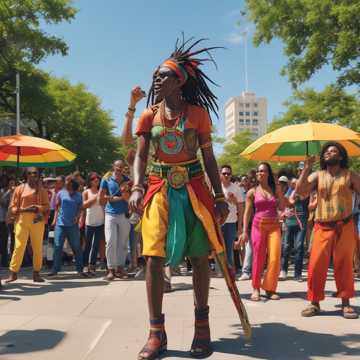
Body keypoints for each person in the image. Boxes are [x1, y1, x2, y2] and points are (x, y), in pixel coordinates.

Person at [129, 38, 229, 359]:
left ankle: (202, 328)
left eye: (163, 76)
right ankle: (156, 332)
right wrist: (135, 186)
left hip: (195, 188)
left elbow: (209, 159)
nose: (157, 80)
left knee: (200, 257)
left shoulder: (198, 115)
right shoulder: (148, 116)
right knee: (153, 257)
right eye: (156, 75)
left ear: (179, 81)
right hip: (159, 188)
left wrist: (220, 195)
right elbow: (140, 157)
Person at [296, 142, 360, 319]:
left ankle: (346, 302)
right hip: (322, 226)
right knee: (316, 265)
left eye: (334, 151)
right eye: (327, 151)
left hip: (345, 225)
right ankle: (314, 302)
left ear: (340, 156)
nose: (329, 153)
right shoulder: (318, 175)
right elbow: (300, 192)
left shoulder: (350, 175)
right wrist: (306, 168)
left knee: (345, 264)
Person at [239, 162, 286, 301]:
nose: (260, 173)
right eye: (258, 171)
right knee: (258, 257)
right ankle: (256, 288)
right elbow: (247, 212)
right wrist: (243, 231)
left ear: (268, 174)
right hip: (258, 226)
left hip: (274, 226)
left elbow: (282, 206)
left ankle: (270, 288)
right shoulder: (252, 192)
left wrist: (279, 190)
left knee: (275, 257)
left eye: (263, 171)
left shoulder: (274, 189)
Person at [5, 168, 49, 283]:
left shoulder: (42, 190)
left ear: (38, 176)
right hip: (21, 220)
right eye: (29, 173)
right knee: (19, 246)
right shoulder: (19, 189)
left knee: (37, 247)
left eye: (35, 174)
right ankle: (13, 273)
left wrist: (38, 208)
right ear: (26, 175)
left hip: (37, 220)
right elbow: (12, 206)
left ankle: (36, 273)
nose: (32, 175)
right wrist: (22, 209)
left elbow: (47, 206)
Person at [99, 160, 131, 281]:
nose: (119, 169)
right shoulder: (106, 179)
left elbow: (130, 197)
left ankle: (120, 268)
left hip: (124, 214)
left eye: (122, 167)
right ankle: (111, 270)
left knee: (123, 244)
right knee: (111, 241)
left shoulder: (127, 180)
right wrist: (114, 198)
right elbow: (101, 197)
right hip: (110, 215)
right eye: (118, 167)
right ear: (113, 167)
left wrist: (125, 196)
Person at [48, 175, 85, 277]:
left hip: (73, 225)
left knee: (76, 247)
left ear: (72, 183)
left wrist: (78, 217)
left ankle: (80, 269)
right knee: (58, 246)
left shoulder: (78, 195)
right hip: (60, 224)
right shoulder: (60, 193)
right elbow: (57, 207)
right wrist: (55, 220)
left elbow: (80, 208)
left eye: (68, 181)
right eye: (66, 181)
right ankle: (55, 270)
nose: (66, 183)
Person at [280, 178, 308, 281]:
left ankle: (298, 274)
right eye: (292, 183)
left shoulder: (305, 191)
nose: (294, 184)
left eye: (296, 183)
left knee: (299, 247)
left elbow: (307, 201)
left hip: (301, 223)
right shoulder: (287, 192)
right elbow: (286, 204)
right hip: (289, 222)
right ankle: (283, 270)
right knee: (286, 246)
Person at [220, 165, 245, 271]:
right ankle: (221, 270)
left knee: (229, 248)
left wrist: (240, 227)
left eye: (228, 173)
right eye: (224, 173)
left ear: (231, 175)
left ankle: (230, 271)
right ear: (220, 174)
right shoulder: (216, 188)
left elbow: (241, 209)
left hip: (231, 222)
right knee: (219, 248)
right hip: (218, 222)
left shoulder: (237, 189)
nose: (226, 175)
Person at [82, 172, 105, 275]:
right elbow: (84, 205)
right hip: (89, 222)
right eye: (93, 179)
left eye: (97, 179)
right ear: (89, 181)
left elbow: (104, 203)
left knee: (96, 245)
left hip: (100, 221)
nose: (96, 180)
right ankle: (85, 265)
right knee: (87, 245)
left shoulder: (102, 191)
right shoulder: (86, 192)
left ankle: (93, 265)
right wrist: (96, 197)